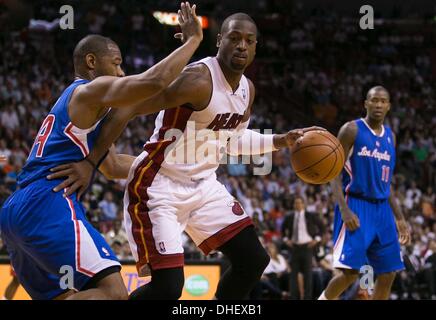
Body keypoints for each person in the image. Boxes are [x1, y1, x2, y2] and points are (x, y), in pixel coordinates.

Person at [49, 12, 323, 300]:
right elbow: (126, 107)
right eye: (234, 38)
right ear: (219, 41)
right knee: (167, 289)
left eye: (249, 41)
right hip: (159, 186)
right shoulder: (197, 80)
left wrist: (281, 140)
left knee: (253, 260)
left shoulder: (247, 90)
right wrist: (91, 160)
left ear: (256, 47)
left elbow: (234, 140)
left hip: (204, 186)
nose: (242, 45)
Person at [0, 2, 203, 300]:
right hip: (46, 201)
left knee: (67, 296)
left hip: (15, 210)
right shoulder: (86, 91)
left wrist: (172, 167)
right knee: (115, 294)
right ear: (92, 62)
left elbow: (112, 165)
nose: (121, 72)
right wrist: (193, 41)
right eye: (117, 63)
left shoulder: (84, 116)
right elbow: (154, 81)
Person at [318, 86, 411, 300]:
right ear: (365, 103)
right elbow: (333, 172)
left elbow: (387, 184)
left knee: (389, 273)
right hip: (356, 206)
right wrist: (345, 210)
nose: (378, 105)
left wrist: (400, 218)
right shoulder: (351, 130)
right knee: (349, 274)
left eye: (382, 101)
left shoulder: (391, 137)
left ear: (389, 106)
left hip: (383, 210)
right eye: (374, 100)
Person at [281, 196, 325, 299]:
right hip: (294, 247)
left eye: (299, 203)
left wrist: (316, 239)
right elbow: (283, 230)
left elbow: (322, 227)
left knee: (308, 274)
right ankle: (293, 297)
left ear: (303, 204)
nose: (297, 205)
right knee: (293, 274)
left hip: (307, 247)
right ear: (293, 205)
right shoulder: (289, 217)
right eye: (295, 203)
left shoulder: (310, 215)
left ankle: (307, 297)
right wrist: (286, 240)